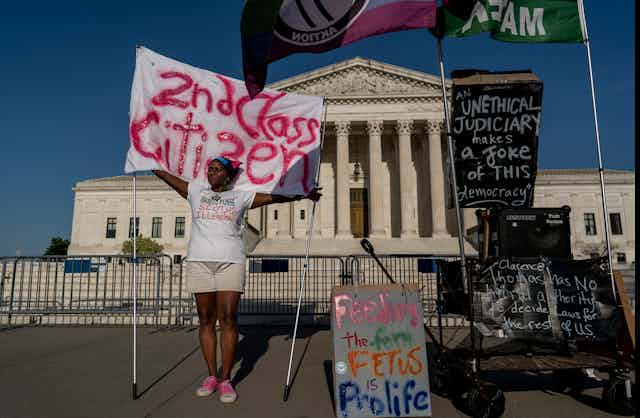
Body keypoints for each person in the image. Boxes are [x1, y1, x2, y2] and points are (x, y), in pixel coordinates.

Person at [153, 156, 321, 403]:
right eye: (209, 169)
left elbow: (274, 198)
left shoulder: (240, 197)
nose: (211, 173)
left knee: (229, 319)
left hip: (231, 261)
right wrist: (150, 163)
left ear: (228, 175)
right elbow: (172, 180)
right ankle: (212, 375)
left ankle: (226, 380)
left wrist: (302, 195)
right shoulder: (196, 192)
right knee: (206, 320)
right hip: (199, 261)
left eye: (217, 170)